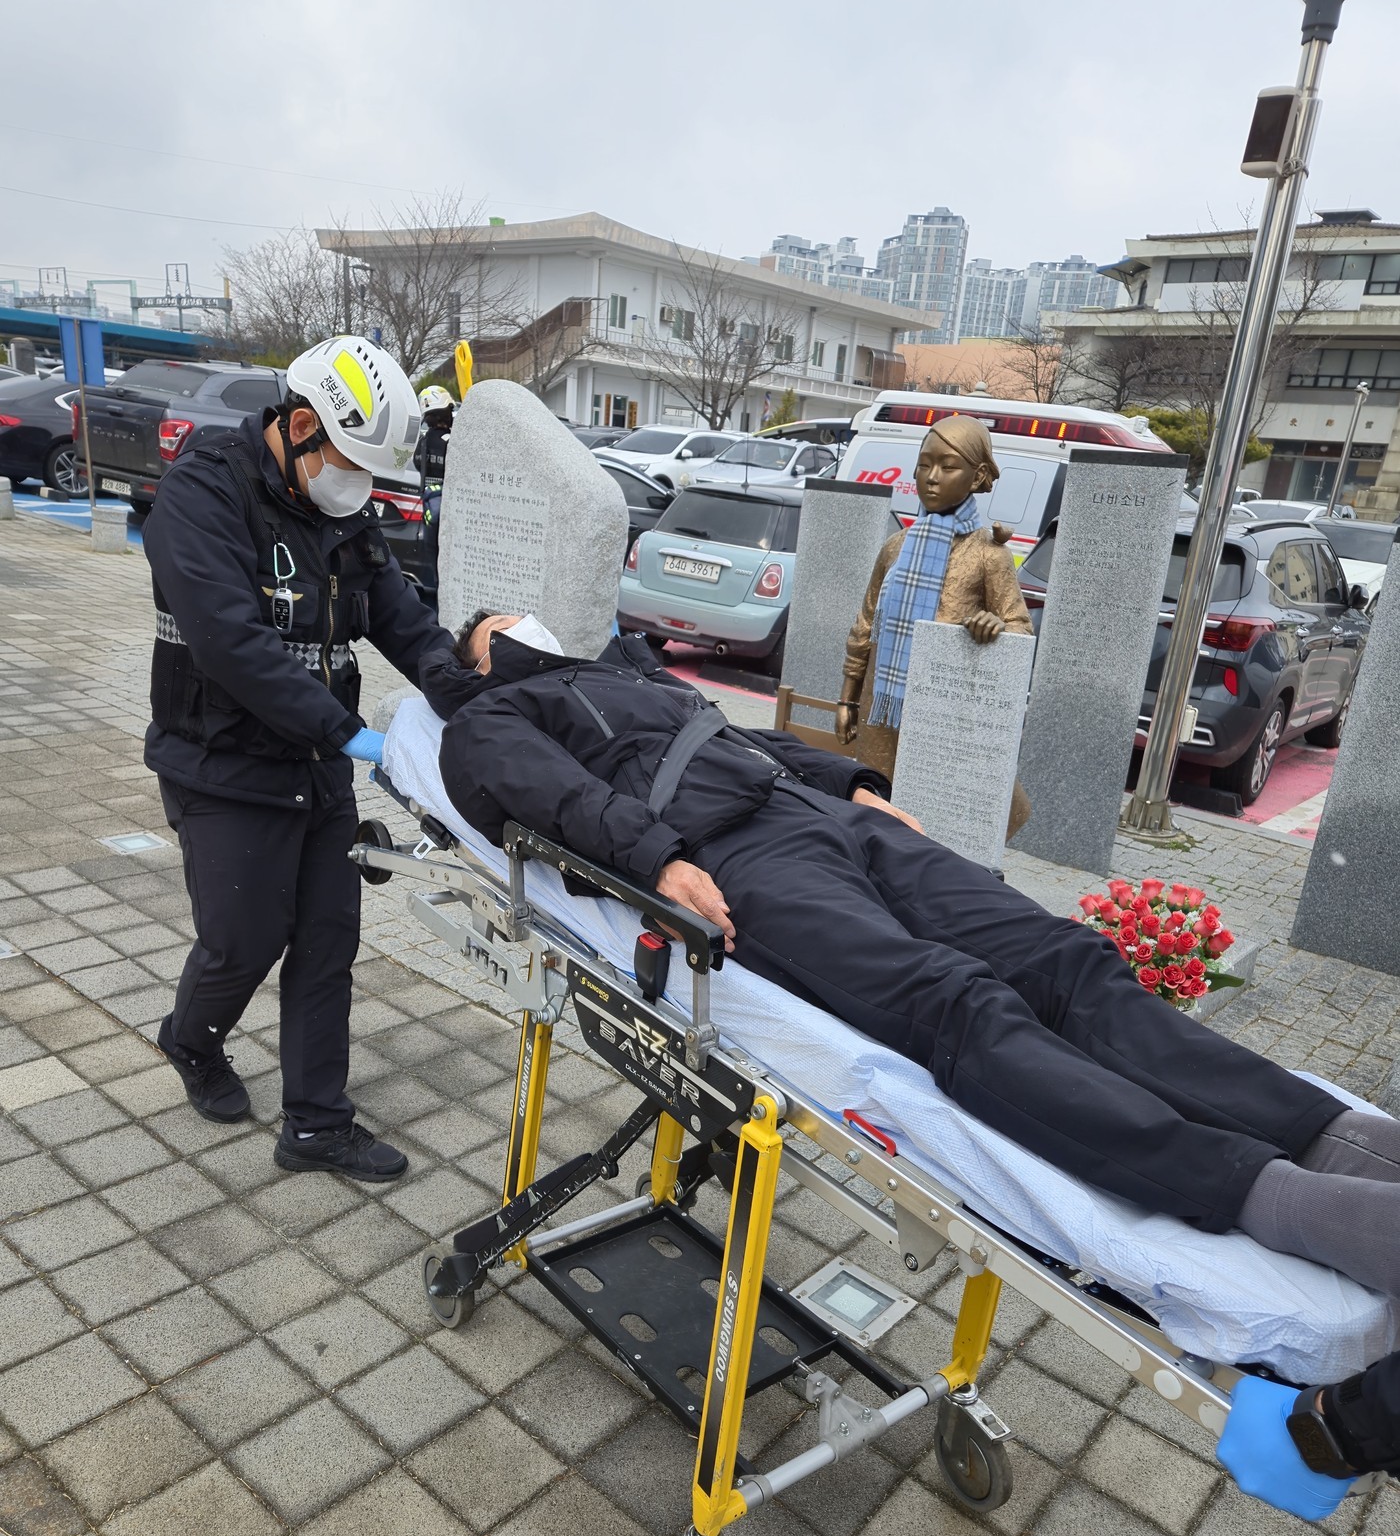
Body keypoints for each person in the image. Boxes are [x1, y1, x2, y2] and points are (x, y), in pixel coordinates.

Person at [421, 613, 1400, 1293]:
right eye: (505, 627)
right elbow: (546, 793)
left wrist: (854, 785)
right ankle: (1269, 1196)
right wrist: (657, 861)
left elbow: (740, 741)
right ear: (482, 658)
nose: (532, 630)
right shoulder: (493, 716)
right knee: (956, 1004)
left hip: (820, 820)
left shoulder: (631, 676)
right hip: (732, 862)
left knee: (1065, 958)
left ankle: (1324, 1133)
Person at [145, 335, 454, 1180]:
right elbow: (232, 645)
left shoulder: (342, 507)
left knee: (326, 941)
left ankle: (316, 1125)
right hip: (221, 760)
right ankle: (191, 1040)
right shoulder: (202, 494)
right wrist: (351, 734)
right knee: (243, 940)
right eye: (350, 463)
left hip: (315, 765)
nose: (357, 488)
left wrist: (463, 692)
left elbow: (400, 613)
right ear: (303, 425)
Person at [835, 416, 1034, 838]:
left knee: (940, 822)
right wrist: (848, 699)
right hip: (881, 705)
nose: (932, 477)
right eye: (924, 464)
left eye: (948, 466)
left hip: (946, 710)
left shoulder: (988, 554)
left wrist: (994, 625)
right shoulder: (896, 547)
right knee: (878, 809)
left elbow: (1020, 628)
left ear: (978, 476)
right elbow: (865, 624)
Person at [414, 385, 455, 603]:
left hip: (430, 514)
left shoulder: (422, 443)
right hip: (452, 517)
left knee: (433, 571)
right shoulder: (455, 442)